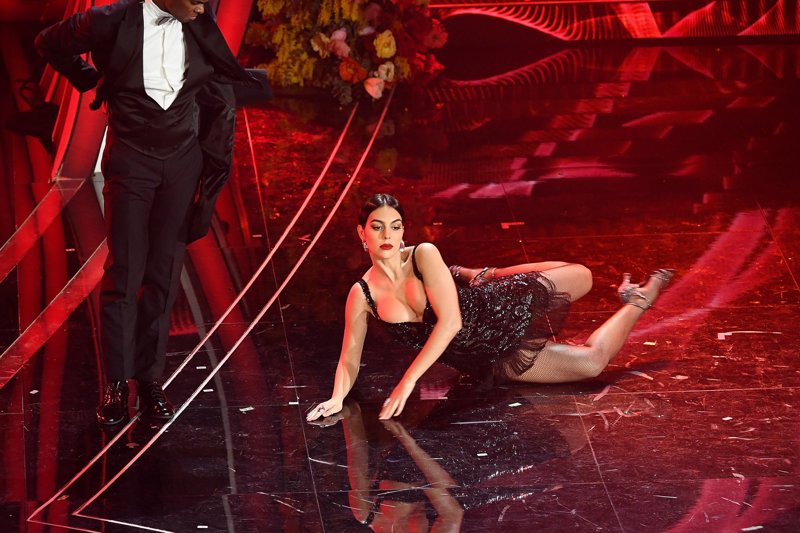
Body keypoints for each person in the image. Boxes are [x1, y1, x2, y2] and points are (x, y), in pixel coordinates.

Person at [35, 0, 266, 425]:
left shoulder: (199, 23)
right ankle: (116, 384)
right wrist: (90, 80)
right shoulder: (112, 20)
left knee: (163, 273)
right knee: (124, 273)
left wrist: (210, 170)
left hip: (181, 164)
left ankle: (150, 381)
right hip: (131, 162)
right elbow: (48, 42)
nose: (202, 4)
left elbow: (219, 92)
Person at [307, 193, 674, 422]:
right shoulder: (362, 295)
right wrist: (337, 397)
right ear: (362, 233)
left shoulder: (423, 254)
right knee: (591, 364)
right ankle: (639, 301)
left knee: (583, 275)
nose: (387, 235)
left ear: (404, 231)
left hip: (500, 308)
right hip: (487, 359)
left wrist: (408, 381)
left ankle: (484, 275)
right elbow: (349, 357)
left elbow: (450, 323)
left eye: (395, 226)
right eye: (377, 227)